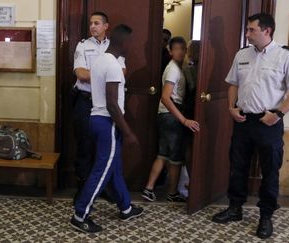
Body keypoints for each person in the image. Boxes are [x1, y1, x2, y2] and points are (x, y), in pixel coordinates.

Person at [211, 13, 289, 240]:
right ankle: (235, 208)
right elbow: (233, 83)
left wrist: (278, 114)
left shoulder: (286, 56)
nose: (247, 33)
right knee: (238, 165)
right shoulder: (242, 54)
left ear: (267, 31)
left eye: (251, 30)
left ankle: (266, 215)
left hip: (269, 122)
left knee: (270, 170)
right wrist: (231, 107)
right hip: (243, 120)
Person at [70, 24, 143, 234]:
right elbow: (112, 104)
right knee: (102, 170)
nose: (132, 46)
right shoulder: (111, 65)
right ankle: (80, 214)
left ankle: (126, 207)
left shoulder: (101, 59)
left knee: (114, 168)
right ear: (123, 42)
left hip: (98, 119)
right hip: (107, 122)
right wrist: (128, 132)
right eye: (131, 41)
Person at [72, 11, 126, 203]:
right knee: (85, 146)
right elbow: (80, 73)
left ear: (106, 26)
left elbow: (122, 73)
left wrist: (94, 72)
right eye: (91, 23)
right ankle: (82, 189)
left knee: (104, 148)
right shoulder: (83, 46)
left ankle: (103, 188)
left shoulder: (114, 47)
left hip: (105, 104)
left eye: (97, 23)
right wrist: (106, 74)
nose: (93, 26)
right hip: (86, 101)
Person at [141, 37, 200, 202]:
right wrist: (183, 120)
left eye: (183, 49)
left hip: (167, 115)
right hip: (171, 115)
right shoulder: (173, 69)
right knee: (175, 158)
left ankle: (149, 188)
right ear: (170, 51)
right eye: (176, 49)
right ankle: (172, 193)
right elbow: (166, 98)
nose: (180, 52)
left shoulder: (178, 67)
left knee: (163, 154)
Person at [177, 40, 201, 198]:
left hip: (190, 108)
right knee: (191, 146)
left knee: (189, 146)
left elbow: (192, 88)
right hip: (193, 109)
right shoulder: (192, 67)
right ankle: (194, 180)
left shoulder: (190, 67)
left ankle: (192, 179)